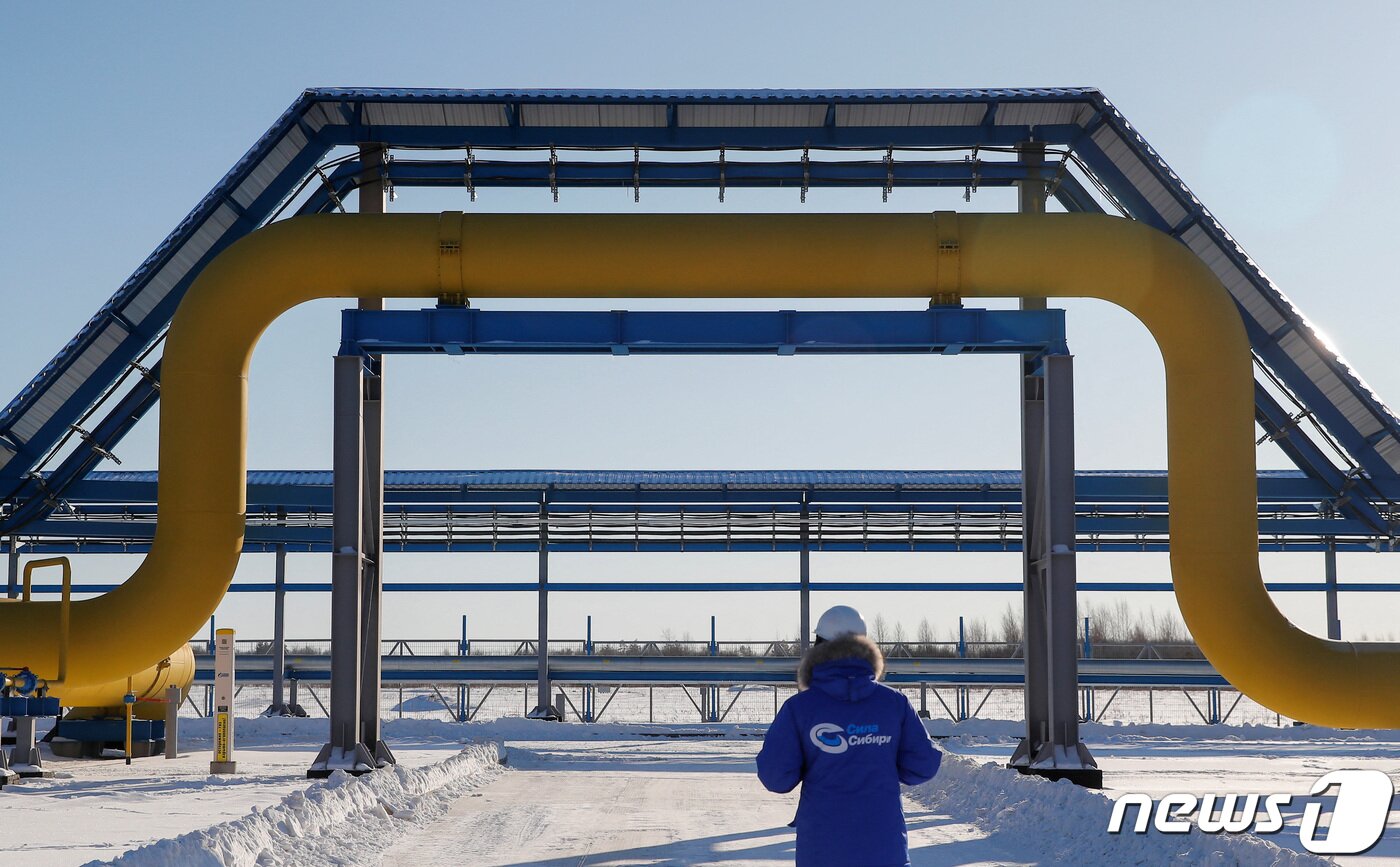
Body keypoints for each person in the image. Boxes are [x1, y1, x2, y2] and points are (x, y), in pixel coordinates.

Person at [756, 605, 941, 867]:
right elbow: (924, 765)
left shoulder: (800, 709)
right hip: (885, 850)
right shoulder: (894, 704)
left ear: (818, 646)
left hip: (821, 851)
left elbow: (775, 777)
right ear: (865, 645)